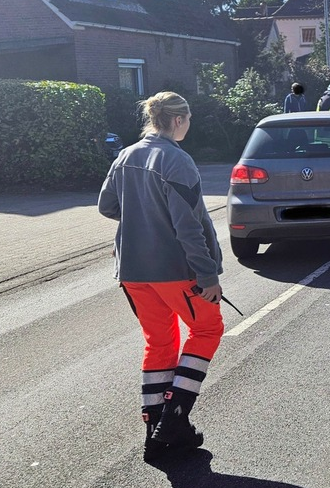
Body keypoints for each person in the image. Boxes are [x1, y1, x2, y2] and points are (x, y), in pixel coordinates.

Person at [97, 92, 224, 460]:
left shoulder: (126, 155)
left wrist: (142, 217)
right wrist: (208, 274)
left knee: (160, 342)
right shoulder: (178, 162)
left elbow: (107, 206)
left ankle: (156, 433)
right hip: (173, 270)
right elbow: (189, 228)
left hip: (133, 270)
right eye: (189, 119)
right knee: (207, 329)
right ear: (179, 120)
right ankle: (175, 417)